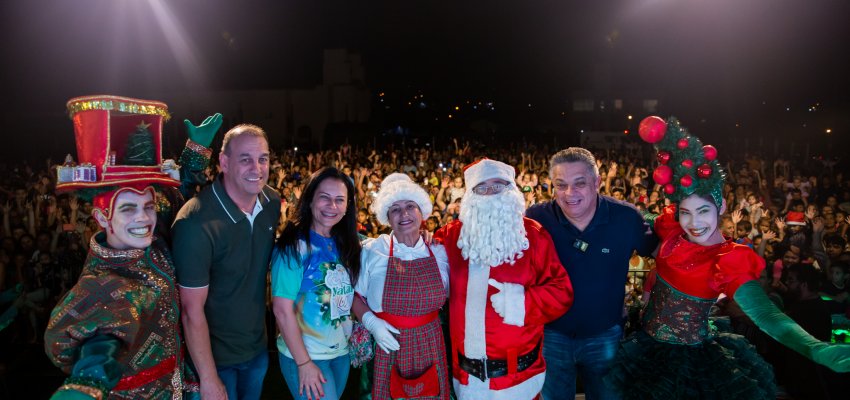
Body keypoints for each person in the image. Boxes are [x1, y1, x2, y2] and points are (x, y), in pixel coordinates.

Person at [605, 116, 850, 399]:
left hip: (689, 361)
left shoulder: (728, 258)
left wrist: (813, 347)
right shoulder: (673, 229)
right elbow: (641, 217)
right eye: (686, 212)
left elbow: (766, 314)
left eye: (703, 212)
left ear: (720, 206)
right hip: (646, 345)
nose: (694, 223)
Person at [44, 95, 221, 399]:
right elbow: (100, 343)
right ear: (102, 217)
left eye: (148, 206)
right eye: (127, 209)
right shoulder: (103, 282)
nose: (143, 217)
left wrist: (196, 151)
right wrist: (85, 387)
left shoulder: (152, 238)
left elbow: (182, 192)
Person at [434, 158, 573, 400]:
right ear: (470, 196)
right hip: (468, 381)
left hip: (520, 379)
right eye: (482, 187)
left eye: (498, 185)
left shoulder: (534, 236)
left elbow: (562, 292)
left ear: (512, 191)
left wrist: (520, 303)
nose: (490, 194)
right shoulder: (449, 237)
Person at [525, 147, 657, 400]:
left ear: (597, 182)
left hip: (605, 334)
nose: (569, 193)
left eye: (579, 184)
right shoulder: (536, 217)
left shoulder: (625, 217)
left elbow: (664, 253)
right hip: (551, 335)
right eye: (560, 185)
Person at [172, 124, 281, 400]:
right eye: (245, 159)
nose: (257, 168)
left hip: (257, 350)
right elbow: (190, 311)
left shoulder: (271, 202)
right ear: (224, 162)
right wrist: (208, 378)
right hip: (215, 362)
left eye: (263, 159)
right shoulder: (195, 222)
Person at [352, 173, 451, 400]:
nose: (404, 214)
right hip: (388, 345)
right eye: (395, 209)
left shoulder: (439, 251)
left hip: (431, 342)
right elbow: (355, 296)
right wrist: (371, 322)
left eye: (410, 206)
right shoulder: (373, 250)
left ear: (421, 212)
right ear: (387, 217)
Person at [271, 167, 361, 400]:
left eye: (340, 200)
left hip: (341, 353)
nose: (332, 206)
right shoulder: (294, 247)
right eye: (325, 198)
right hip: (306, 356)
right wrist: (304, 363)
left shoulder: (347, 243)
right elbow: (282, 310)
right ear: (310, 200)